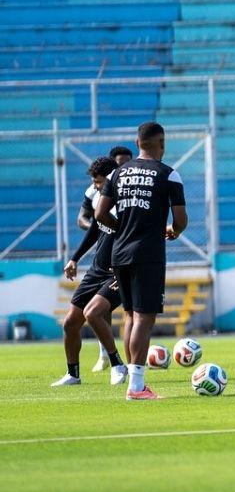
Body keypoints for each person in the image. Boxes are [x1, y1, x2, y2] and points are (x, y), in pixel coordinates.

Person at [93, 121, 187, 401]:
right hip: (147, 254)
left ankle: (133, 381)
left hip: (119, 253)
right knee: (145, 318)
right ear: (162, 143)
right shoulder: (168, 174)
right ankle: (136, 386)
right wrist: (173, 231)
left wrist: (121, 228)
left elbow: (100, 214)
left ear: (137, 144)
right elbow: (181, 220)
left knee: (131, 316)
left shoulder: (118, 173)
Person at [52, 156, 128, 387]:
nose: (95, 187)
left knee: (93, 314)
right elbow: (94, 231)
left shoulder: (126, 204)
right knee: (70, 323)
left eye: (98, 182)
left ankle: (117, 364)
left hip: (118, 272)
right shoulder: (102, 202)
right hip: (97, 270)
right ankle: (73, 374)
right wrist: (74, 258)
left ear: (110, 178)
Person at [77, 144, 132, 372]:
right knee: (98, 311)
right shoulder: (94, 190)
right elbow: (82, 219)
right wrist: (101, 228)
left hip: (124, 257)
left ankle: (130, 364)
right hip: (102, 258)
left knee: (126, 310)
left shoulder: (128, 189)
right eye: (121, 162)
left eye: (128, 162)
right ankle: (105, 355)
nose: (125, 166)